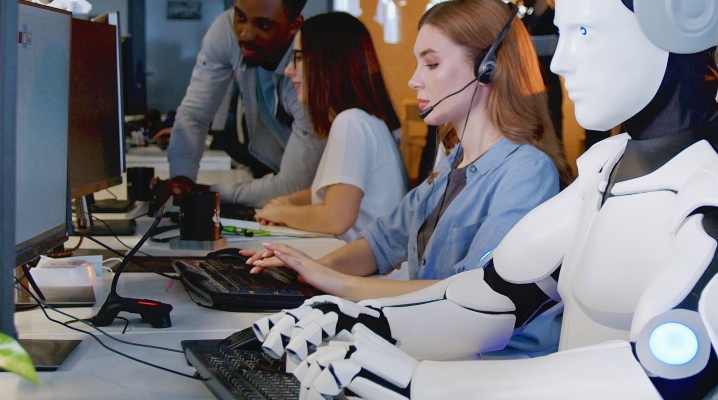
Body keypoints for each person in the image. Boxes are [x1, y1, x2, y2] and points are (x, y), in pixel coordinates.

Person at [249, 1, 718, 399]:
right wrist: (350, 321)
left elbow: (670, 375)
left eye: (585, 32)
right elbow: (492, 299)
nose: (560, 61)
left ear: (682, 17)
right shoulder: (606, 167)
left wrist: (418, 382)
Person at [242, 0, 573, 356]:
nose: (414, 79)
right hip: (434, 351)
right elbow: (380, 244)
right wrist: (308, 269)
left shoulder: (525, 172)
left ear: (488, 69)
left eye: (431, 63)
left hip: (487, 370)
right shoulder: (450, 166)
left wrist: (340, 284)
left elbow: (469, 298)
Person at [251, 13, 407, 242]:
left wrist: (282, 213)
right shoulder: (365, 120)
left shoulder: (351, 122)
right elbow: (337, 194)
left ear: (329, 63)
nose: (288, 71)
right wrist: (290, 202)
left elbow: (336, 217)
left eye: (299, 58)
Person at [159, 0, 322, 207]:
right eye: (240, 17)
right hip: (281, 175)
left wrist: (206, 192)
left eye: (263, 25)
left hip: (325, 199)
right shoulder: (227, 30)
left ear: (294, 25)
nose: (245, 34)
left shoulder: (310, 71)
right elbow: (195, 114)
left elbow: (293, 185)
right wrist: (181, 181)